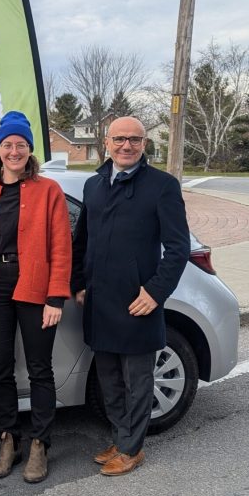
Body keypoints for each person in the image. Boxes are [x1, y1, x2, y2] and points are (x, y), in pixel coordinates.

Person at [0, 111, 72, 484]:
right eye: (7, 144)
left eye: (21, 145)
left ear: (30, 150)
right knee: (0, 368)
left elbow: (61, 245)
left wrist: (56, 297)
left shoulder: (49, 191)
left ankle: (40, 442)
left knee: (40, 368)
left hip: (35, 285)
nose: (14, 150)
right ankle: (8, 438)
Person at [71, 116, 190, 476]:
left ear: (144, 144)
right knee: (109, 379)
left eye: (135, 140)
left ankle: (132, 448)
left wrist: (155, 292)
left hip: (137, 302)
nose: (127, 146)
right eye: (120, 139)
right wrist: (78, 284)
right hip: (99, 301)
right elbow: (82, 241)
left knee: (138, 381)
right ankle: (121, 437)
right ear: (106, 142)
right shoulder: (93, 185)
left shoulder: (162, 187)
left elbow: (178, 247)